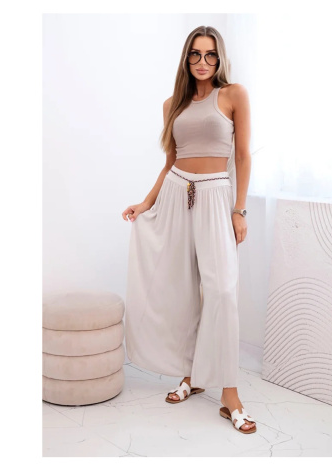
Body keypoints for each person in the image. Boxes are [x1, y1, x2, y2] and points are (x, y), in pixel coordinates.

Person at [122, 25, 256, 434]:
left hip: (216, 196)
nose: (203, 62)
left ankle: (229, 393)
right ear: (186, 58)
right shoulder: (172, 105)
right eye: (195, 54)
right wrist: (146, 203)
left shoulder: (233, 95)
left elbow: (243, 157)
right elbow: (170, 163)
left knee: (222, 292)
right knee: (183, 292)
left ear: (220, 58)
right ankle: (191, 375)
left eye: (210, 54)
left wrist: (239, 210)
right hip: (177, 194)